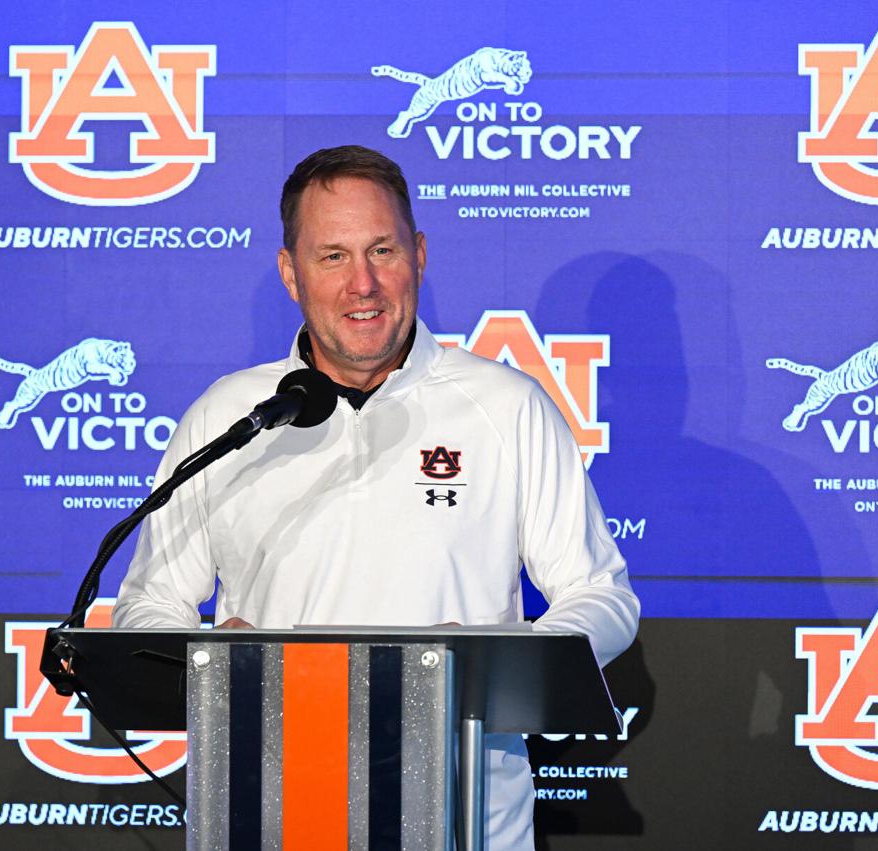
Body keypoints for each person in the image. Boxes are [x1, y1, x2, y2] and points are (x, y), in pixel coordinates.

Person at [113, 145, 640, 849]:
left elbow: (602, 596)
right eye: (332, 256)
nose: (363, 283)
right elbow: (146, 605)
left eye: (382, 250)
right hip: (271, 815)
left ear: (419, 254)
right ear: (290, 272)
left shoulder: (505, 407)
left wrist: (489, 665)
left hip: (464, 821)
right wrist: (212, 656)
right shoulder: (227, 417)